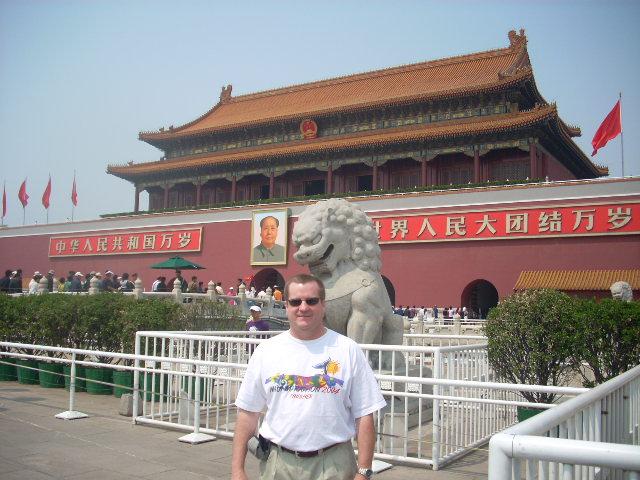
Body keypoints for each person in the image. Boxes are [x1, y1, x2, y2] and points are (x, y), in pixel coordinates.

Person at [231, 274, 384, 480]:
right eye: (295, 302)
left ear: (323, 304)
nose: (303, 307)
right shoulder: (266, 351)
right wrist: (237, 470)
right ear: (286, 306)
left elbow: (364, 414)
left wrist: (364, 471)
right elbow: (247, 413)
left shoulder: (347, 350)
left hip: (334, 463)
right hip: (278, 464)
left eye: (311, 301)